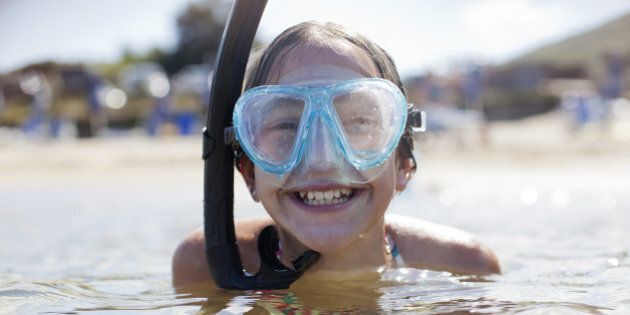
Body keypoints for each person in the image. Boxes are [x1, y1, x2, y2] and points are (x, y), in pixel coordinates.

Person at [172, 21, 500, 288]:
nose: (321, 160)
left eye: (358, 122)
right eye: (286, 126)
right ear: (247, 172)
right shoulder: (203, 267)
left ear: (403, 163)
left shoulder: (464, 271)